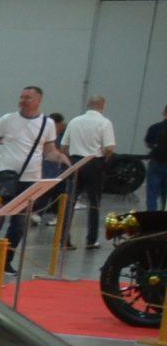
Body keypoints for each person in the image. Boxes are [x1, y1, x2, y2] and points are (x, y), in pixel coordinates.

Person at [0, 84, 64, 274]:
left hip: (30, 180)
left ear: (38, 101)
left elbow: (49, 150)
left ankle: (6, 262)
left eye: (27, 98)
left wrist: (60, 157)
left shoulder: (47, 123)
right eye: (21, 97)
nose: (22, 101)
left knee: (19, 224)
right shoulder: (7, 120)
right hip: (6, 178)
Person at [61, 96, 116, 248]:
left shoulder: (74, 121)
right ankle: (91, 240)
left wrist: (70, 160)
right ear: (103, 106)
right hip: (94, 163)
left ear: (88, 105)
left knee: (70, 202)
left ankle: (64, 239)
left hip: (75, 162)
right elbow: (110, 148)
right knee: (94, 203)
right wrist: (102, 158)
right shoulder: (105, 123)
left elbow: (64, 146)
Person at [148, 104, 167, 211]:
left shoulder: (155, 127)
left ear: (164, 112)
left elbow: (148, 143)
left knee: (152, 194)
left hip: (156, 163)